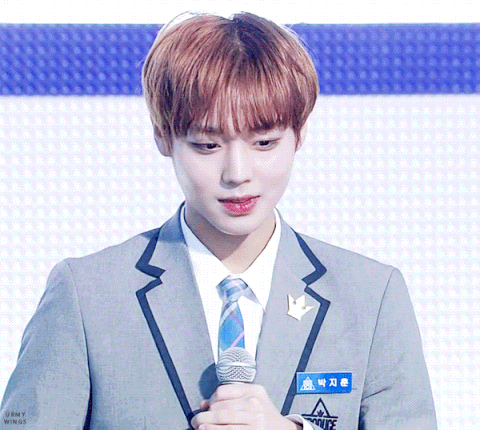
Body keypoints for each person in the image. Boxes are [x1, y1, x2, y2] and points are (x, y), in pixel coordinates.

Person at [0, 12, 437, 430]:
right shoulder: (87, 295)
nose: (237, 173)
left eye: (264, 142)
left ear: (300, 133)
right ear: (163, 137)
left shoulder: (371, 297)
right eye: (208, 145)